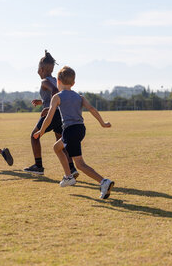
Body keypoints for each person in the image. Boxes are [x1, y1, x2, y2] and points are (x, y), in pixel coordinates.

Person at [34, 66, 114, 199]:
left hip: (70, 131)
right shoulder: (79, 96)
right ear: (73, 83)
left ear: (58, 81)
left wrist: (41, 131)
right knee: (57, 147)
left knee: (80, 164)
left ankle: (104, 182)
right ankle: (68, 177)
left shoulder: (56, 97)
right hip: (80, 129)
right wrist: (103, 123)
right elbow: (92, 109)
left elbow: (48, 118)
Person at [24, 51, 78, 177]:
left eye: (38, 68)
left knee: (34, 136)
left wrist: (48, 108)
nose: (37, 71)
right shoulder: (56, 80)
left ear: (41, 69)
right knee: (61, 142)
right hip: (61, 115)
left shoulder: (44, 82)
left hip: (52, 114)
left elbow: (54, 92)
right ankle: (72, 169)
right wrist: (42, 102)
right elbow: (57, 93)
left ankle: (38, 166)